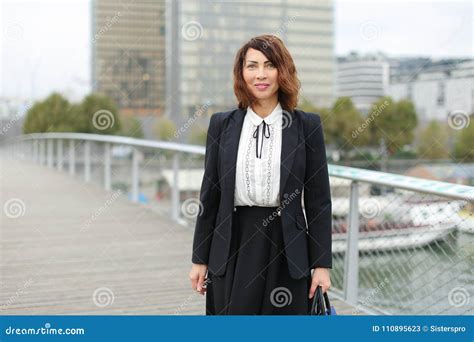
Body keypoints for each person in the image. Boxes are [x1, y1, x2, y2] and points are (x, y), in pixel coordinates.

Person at [189, 34, 332, 315]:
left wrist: (322, 264)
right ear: (241, 73)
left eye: (269, 65)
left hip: (287, 247)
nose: (261, 74)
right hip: (233, 245)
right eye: (252, 66)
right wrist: (199, 258)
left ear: (283, 71)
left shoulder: (307, 126)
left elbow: (318, 202)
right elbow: (211, 195)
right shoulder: (221, 125)